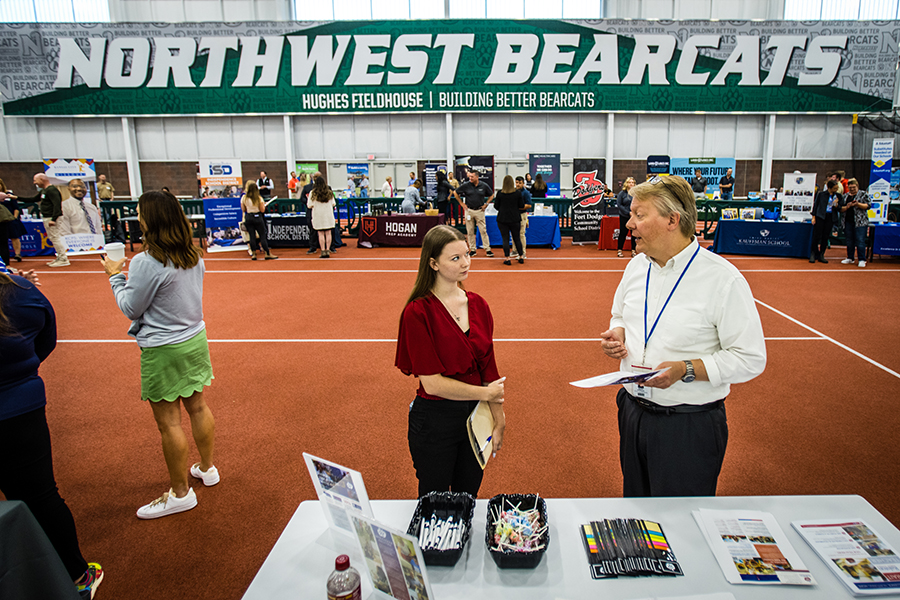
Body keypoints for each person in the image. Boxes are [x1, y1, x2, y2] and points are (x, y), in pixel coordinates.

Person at [599, 175, 766, 497]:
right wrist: (617, 332)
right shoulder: (635, 266)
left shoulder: (722, 279)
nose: (629, 223)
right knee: (636, 509)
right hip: (632, 410)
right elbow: (619, 313)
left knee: (683, 524)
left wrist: (685, 369)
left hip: (688, 425)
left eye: (639, 214)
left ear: (672, 220)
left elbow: (750, 358)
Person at [101, 190, 218, 519]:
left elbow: (130, 307)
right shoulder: (194, 255)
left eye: (139, 213)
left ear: (149, 221)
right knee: (198, 406)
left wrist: (114, 275)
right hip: (195, 339)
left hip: (164, 348)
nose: (136, 217)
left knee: (169, 424)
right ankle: (207, 469)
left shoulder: (145, 262)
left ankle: (180, 493)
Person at [0, 268, 105, 598]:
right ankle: (77, 576)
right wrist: (23, 369)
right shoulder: (19, 293)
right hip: (19, 407)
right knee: (41, 495)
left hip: (18, 402)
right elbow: (47, 335)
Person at [395, 225, 506, 497]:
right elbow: (432, 384)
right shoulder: (417, 312)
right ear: (433, 263)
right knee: (434, 501)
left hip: (474, 417)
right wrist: (486, 394)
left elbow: (488, 368)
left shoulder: (479, 304)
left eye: (467, 254)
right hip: (435, 421)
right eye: (455, 258)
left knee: (468, 496)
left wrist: (499, 418)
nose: (466, 263)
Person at [18, 173, 68, 267]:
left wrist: (53, 219)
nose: (34, 182)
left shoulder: (52, 190)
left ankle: (63, 259)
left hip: (51, 217)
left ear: (42, 179)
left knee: (55, 238)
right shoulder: (44, 191)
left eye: (35, 180)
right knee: (52, 238)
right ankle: (59, 257)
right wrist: (16, 198)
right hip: (46, 217)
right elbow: (33, 199)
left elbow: (57, 205)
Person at [451, 171, 494, 258]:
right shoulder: (466, 185)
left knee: (483, 230)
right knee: (470, 231)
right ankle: (472, 249)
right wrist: (461, 204)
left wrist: (486, 204)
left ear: (477, 177)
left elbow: (491, 195)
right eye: (469, 177)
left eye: (472, 177)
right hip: (469, 210)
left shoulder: (484, 185)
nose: (470, 178)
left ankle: (487, 249)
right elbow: (455, 192)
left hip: (480, 211)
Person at [241, 181, 278, 261]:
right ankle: (267, 253)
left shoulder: (244, 198)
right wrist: (263, 205)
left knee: (252, 236)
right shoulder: (258, 198)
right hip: (257, 217)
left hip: (249, 217)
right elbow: (262, 210)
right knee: (262, 236)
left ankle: (254, 254)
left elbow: (244, 209)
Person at [838, 178, 870, 268]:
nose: (852, 189)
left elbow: (868, 206)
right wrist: (847, 207)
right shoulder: (845, 196)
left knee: (860, 241)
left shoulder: (863, 194)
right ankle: (850, 258)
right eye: (850, 187)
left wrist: (858, 204)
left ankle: (862, 259)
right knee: (849, 240)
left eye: (853, 187)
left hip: (860, 222)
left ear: (857, 186)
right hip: (848, 221)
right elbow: (841, 209)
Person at [494, 175, 525, 265]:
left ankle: (507, 258)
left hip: (502, 219)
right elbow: (521, 206)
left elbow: (496, 206)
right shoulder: (517, 193)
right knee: (517, 238)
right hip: (515, 218)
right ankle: (521, 256)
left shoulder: (500, 193)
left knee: (505, 239)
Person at [810, 179, 841, 264]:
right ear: (829, 188)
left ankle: (822, 254)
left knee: (825, 236)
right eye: (834, 188)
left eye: (837, 188)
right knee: (816, 236)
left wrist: (836, 205)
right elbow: (816, 205)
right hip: (820, 216)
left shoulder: (837, 196)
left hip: (830, 217)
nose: (836, 190)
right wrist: (814, 216)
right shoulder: (821, 194)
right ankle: (813, 253)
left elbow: (840, 208)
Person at [308, 176, 336, 258]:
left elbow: (309, 205)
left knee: (320, 233)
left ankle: (323, 250)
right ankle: (328, 249)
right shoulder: (329, 192)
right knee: (328, 233)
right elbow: (333, 203)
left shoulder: (312, 193)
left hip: (318, 215)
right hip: (328, 214)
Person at [0, 179, 24, 262]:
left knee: (14, 236)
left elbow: (16, 208)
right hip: (1, 221)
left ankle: (17, 254)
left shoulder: (9, 195)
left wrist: (14, 218)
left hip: (10, 219)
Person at [511, 176, 532, 260]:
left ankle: (523, 252)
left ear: (523, 183)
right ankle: (514, 250)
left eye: (520, 183)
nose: (518, 184)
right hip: (513, 215)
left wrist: (519, 207)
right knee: (513, 233)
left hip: (522, 215)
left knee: (521, 234)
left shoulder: (526, 193)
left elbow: (529, 205)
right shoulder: (513, 191)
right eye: (516, 182)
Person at [616, 177, 636, 258]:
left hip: (634, 217)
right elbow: (619, 205)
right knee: (623, 233)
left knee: (634, 234)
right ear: (626, 184)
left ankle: (633, 251)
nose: (631, 184)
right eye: (629, 182)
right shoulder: (622, 194)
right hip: (624, 216)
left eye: (632, 182)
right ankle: (620, 250)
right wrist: (628, 212)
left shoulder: (636, 194)